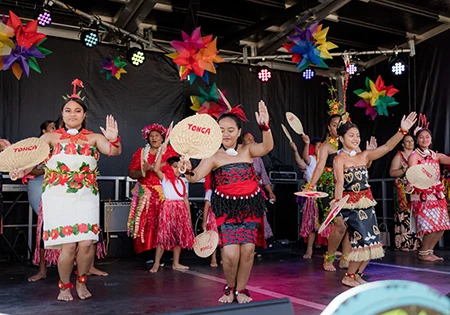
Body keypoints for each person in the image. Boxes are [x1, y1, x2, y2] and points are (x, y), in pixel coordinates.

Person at [12, 79, 122, 301]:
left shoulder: (94, 138)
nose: (73, 114)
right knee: (69, 245)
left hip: (86, 195)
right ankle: (64, 287)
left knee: (86, 243)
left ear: (84, 115)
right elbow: (33, 162)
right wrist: (20, 171)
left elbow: (114, 152)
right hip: (58, 196)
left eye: (78, 110)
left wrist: (114, 140)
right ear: (62, 114)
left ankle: (81, 282)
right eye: (68, 110)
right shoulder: (50, 138)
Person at [184, 101, 273, 304]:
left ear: (239, 131)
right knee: (231, 254)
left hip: (250, 207)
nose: (226, 134)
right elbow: (194, 176)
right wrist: (187, 168)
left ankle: (241, 289)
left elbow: (267, 146)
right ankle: (230, 287)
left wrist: (265, 127)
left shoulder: (247, 150)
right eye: (221, 130)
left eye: (231, 130)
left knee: (248, 251)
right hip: (226, 210)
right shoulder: (214, 156)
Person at [333, 112, 417, 287]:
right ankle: (348, 276)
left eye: (357, 135)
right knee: (362, 240)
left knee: (372, 240)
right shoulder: (339, 159)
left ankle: (357, 274)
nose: (356, 138)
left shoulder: (364, 155)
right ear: (341, 138)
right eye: (351, 135)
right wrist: (337, 203)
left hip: (367, 203)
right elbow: (339, 182)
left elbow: (386, 147)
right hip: (351, 205)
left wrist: (402, 131)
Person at [127, 124, 177, 265]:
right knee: (145, 224)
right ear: (147, 138)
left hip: (164, 193)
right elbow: (131, 172)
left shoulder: (170, 151)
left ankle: (165, 253)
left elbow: (174, 168)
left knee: (164, 223)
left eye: (157, 135)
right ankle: (147, 253)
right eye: (151, 136)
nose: (154, 138)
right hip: (145, 194)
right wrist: (142, 171)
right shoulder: (141, 152)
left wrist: (154, 167)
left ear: (163, 138)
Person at [408, 120, 450, 261]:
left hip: (437, 195)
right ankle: (424, 252)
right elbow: (412, 173)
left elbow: (448, 160)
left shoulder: (435, 155)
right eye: (421, 137)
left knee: (442, 226)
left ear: (431, 139)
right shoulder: (414, 156)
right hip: (422, 195)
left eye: (427, 137)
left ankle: (429, 251)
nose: (424, 139)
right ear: (417, 140)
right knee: (430, 226)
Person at [149, 148, 195, 272]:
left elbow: (185, 199)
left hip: (181, 210)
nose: (177, 169)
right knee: (163, 238)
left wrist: (188, 216)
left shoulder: (182, 182)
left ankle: (176, 262)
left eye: (179, 166)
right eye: (174, 166)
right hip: (168, 209)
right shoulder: (165, 179)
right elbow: (155, 168)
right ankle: (156, 263)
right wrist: (161, 153)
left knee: (178, 237)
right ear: (169, 168)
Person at [27, 120, 56, 282]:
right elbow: (30, 169)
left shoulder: (60, 145)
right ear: (44, 130)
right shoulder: (37, 147)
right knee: (45, 226)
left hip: (59, 190)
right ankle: (42, 269)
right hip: (40, 188)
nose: (55, 129)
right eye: (52, 127)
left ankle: (76, 267)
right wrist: (48, 169)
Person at [290, 134, 322, 259]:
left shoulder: (326, 162)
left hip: (325, 195)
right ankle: (309, 250)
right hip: (313, 196)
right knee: (312, 224)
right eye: (318, 147)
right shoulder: (312, 160)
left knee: (330, 223)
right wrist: (306, 144)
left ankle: (331, 250)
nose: (320, 149)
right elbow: (303, 158)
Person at [389, 135, 421, 251]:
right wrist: (404, 169)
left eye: (411, 141)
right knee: (403, 215)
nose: (410, 143)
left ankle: (417, 243)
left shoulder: (418, 154)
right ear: (403, 144)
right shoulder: (399, 156)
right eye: (407, 142)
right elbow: (392, 173)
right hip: (403, 190)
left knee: (416, 214)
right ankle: (403, 243)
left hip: (417, 188)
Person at [242, 132, 275, 241]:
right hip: (242, 194)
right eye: (248, 139)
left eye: (253, 139)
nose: (251, 141)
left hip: (256, 193)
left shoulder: (258, 159)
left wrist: (270, 192)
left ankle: (254, 246)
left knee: (258, 218)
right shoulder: (238, 156)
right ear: (242, 143)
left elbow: (264, 177)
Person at [202, 173, 219, 267]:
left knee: (223, 237)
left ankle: (224, 257)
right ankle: (213, 258)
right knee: (213, 237)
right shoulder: (210, 191)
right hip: (213, 216)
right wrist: (204, 221)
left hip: (223, 215)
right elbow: (207, 206)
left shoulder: (224, 190)